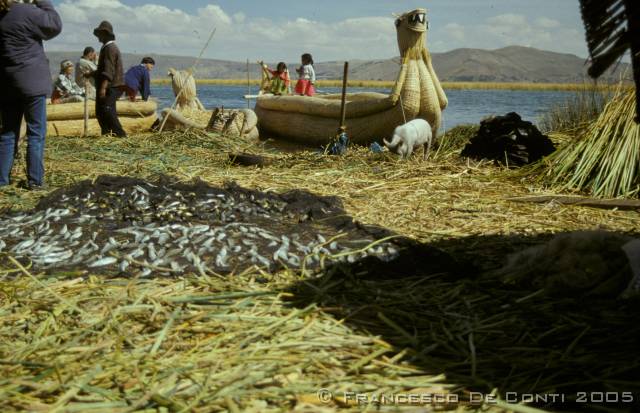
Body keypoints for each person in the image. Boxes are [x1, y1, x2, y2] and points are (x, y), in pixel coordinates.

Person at [0, 0, 62, 190]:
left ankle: (2, 181)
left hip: (7, 83)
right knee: (36, 133)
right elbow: (54, 24)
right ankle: (35, 181)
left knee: (8, 133)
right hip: (31, 82)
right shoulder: (25, 12)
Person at [93, 20, 126, 137]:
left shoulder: (110, 48)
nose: (98, 37)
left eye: (100, 34)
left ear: (105, 34)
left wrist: (103, 87)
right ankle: (107, 134)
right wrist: (92, 74)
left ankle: (121, 135)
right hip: (110, 84)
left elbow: (109, 69)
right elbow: (103, 69)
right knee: (100, 111)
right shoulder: (106, 47)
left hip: (111, 85)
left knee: (107, 110)